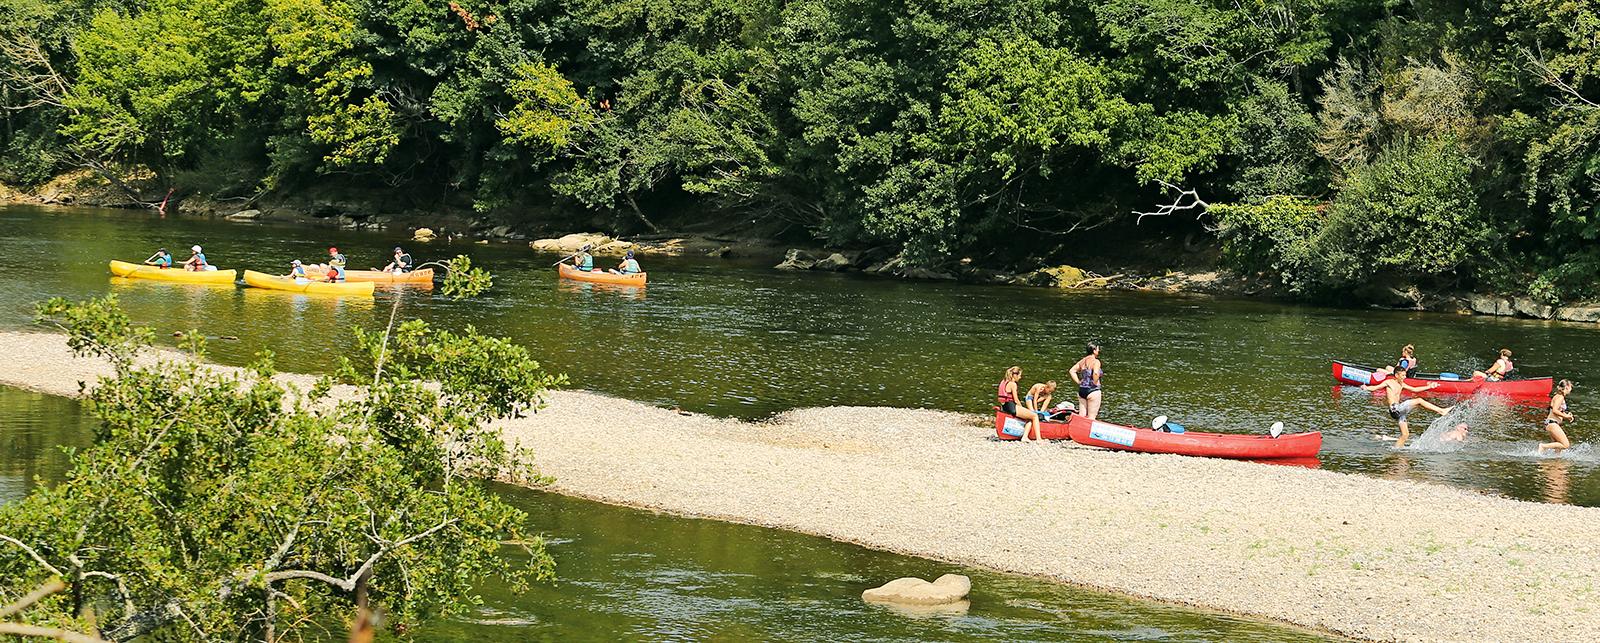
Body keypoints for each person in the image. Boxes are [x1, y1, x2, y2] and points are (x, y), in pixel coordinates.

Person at [1362, 374, 1451, 448]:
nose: (1404, 377)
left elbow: (1415, 389)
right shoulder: (1389, 382)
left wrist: (1429, 386)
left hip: (1400, 412)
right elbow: (1375, 387)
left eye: (1405, 375)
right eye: (1403, 375)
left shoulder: (1402, 384)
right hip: (1395, 408)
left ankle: (1396, 451)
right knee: (1419, 400)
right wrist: (1366, 388)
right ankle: (1441, 411)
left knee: (1405, 435)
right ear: (1397, 375)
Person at [997, 366, 1041, 442]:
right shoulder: (1013, 384)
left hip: (1005, 406)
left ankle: (1024, 437)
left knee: (1029, 417)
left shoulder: (1003, 382)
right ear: (1015, 375)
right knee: (1034, 416)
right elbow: (1016, 399)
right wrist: (1022, 407)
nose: (1020, 377)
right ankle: (1039, 439)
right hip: (1011, 407)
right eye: (1020, 375)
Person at [1539, 379, 1575, 455]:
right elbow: (1555, 410)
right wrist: (1566, 417)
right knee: (1565, 445)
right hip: (1552, 423)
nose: (1571, 390)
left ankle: (1556, 463)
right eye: (1570, 388)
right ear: (1567, 387)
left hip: (1551, 423)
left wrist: (1566, 414)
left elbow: (1556, 409)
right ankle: (1543, 446)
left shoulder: (1557, 396)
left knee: (1558, 448)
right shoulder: (1560, 397)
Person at [1070, 343, 1103, 420]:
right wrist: (1095, 382)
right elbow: (1095, 373)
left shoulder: (1082, 361)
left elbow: (1072, 371)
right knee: (1091, 418)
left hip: (1082, 390)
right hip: (1093, 390)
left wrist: (1078, 382)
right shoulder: (1096, 361)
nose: (1099, 350)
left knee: (1082, 416)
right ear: (1094, 351)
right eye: (1097, 349)